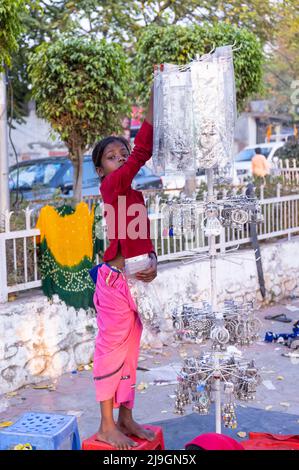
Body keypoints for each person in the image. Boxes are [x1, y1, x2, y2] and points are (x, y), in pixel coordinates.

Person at [90, 87, 157, 450]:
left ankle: (126, 419)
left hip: (135, 285)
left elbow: (140, 237)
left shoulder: (133, 195)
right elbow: (143, 150)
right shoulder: (112, 186)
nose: (122, 160)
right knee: (110, 353)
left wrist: (153, 265)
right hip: (114, 285)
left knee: (131, 354)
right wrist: (154, 98)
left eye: (123, 154)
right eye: (113, 157)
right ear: (102, 170)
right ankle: (105, 425)